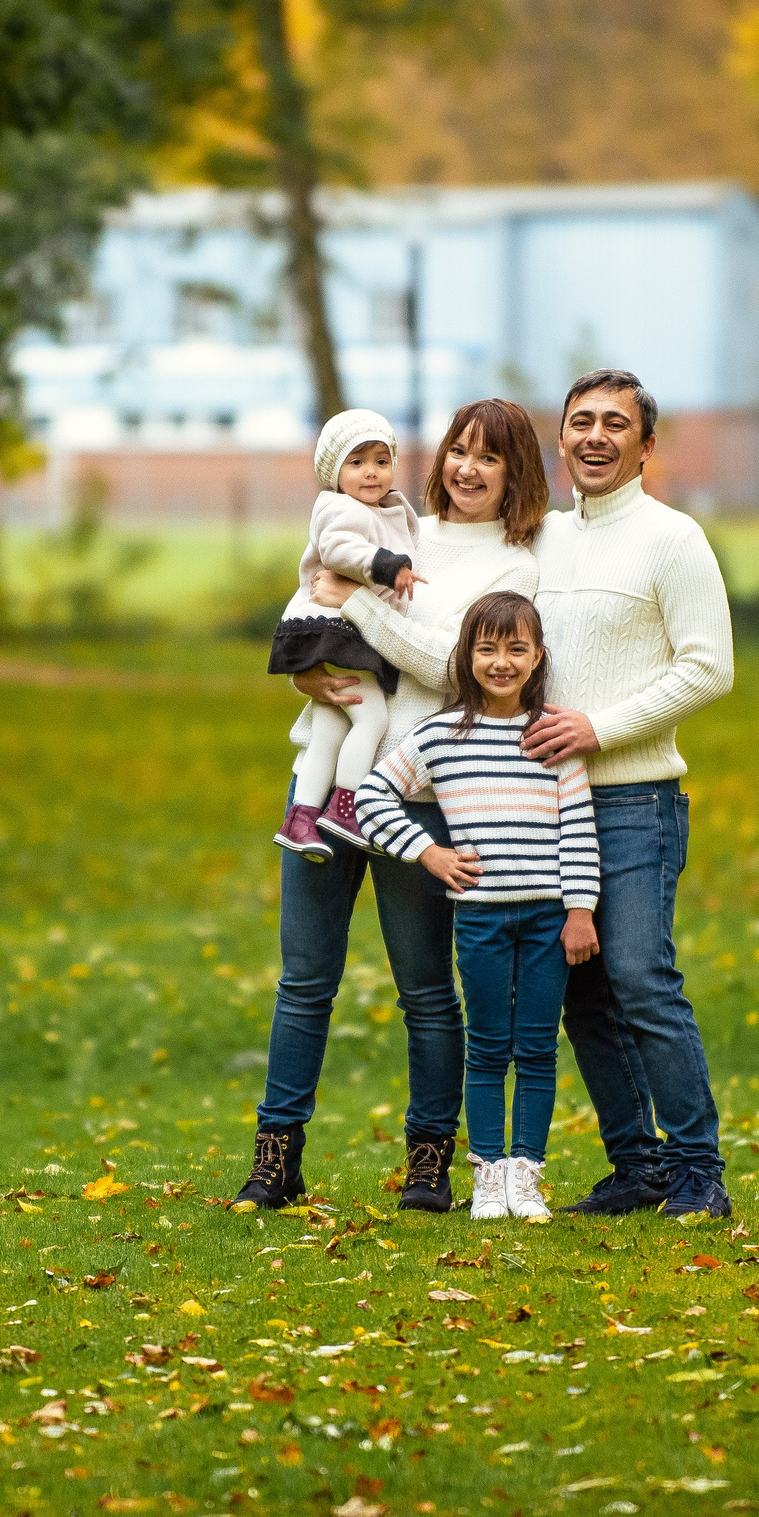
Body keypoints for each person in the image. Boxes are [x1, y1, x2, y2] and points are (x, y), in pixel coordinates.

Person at [231, 399, 548, 1217]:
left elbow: (455, 668)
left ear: (515, 472)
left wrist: (358, 597)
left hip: (420, 796)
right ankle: (275, 1155)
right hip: (331, 772)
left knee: (424, 990)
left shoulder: (515, 565)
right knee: (304, 980)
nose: (467, 469)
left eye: (489, 457)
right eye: (457, 451)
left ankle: (430, 1160)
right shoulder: (392, 522)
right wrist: (308, 665)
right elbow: (312, 603)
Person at [520, 369, 736, 1219]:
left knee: (642, 975)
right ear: (562, 437)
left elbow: (709, 667)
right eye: (581, 422)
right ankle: (636, 1167)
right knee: (581, 988)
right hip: (548, 801)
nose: (596, 436)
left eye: (616, 423)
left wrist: (599, 727)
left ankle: (698, 1171)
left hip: (636, 798)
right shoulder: (536, 538)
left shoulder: (672, 538)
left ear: (647, 446)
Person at [354, 592, 600, 1224]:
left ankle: (527, 1174)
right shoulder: (439, 736)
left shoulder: (552, 736)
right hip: (482, 918)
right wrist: (428, 853)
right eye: (487, 649)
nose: (501, 663)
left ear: (538, 655)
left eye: (516, 649)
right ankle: (488, 1174)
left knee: (538, 1047)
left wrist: (581, 911)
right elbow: (371, 797)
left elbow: (577, 827)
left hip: (549, 919)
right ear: (466, 656)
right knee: (488, 1045)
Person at [267, 410, 423, 860]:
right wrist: (387, 565)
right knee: (372, 719)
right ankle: (346, 807)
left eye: (381, 459)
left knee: (330, 728)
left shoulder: (379, 509)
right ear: (334, 472)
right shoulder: (338, 507)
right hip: (334, 631)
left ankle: (300, 819)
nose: (371, 471)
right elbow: (339, 548)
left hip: (335, 631)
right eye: (356, 462)